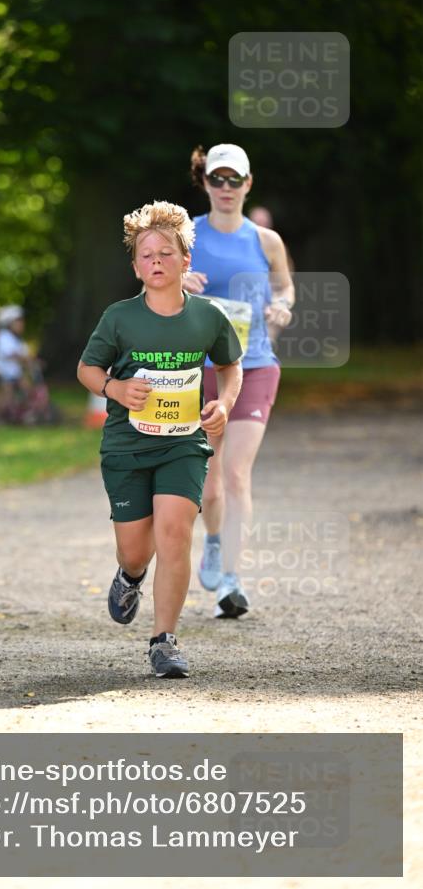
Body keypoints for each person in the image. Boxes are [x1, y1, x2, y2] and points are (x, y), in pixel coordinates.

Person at [78, 201, 243, 678]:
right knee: (136, 549)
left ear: (184, 260)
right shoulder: (119, 317)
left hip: (184, 443)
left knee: (175, 534)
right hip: (127, 446)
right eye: (146, 255)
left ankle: (163, 640)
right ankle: (130, 576)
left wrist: (224, 405)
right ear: (136, 266)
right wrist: (115, 388)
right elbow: (86, 369)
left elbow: (230, 367)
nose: (156, 261)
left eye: (165, 253)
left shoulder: (207, 317)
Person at [185, 144, 295, 618]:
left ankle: (231, 578)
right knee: (209, 481)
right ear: (205, 183)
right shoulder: (186, 233)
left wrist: (282, 306)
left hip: (254, 366)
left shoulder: (266, 240)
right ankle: (212, 540)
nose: (226, 188)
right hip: (198, 369)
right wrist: (177, 281)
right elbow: (152, 279)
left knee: (236, 473)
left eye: (235, 180)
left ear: (249, 184)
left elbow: (285, 286)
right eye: (218, 179)